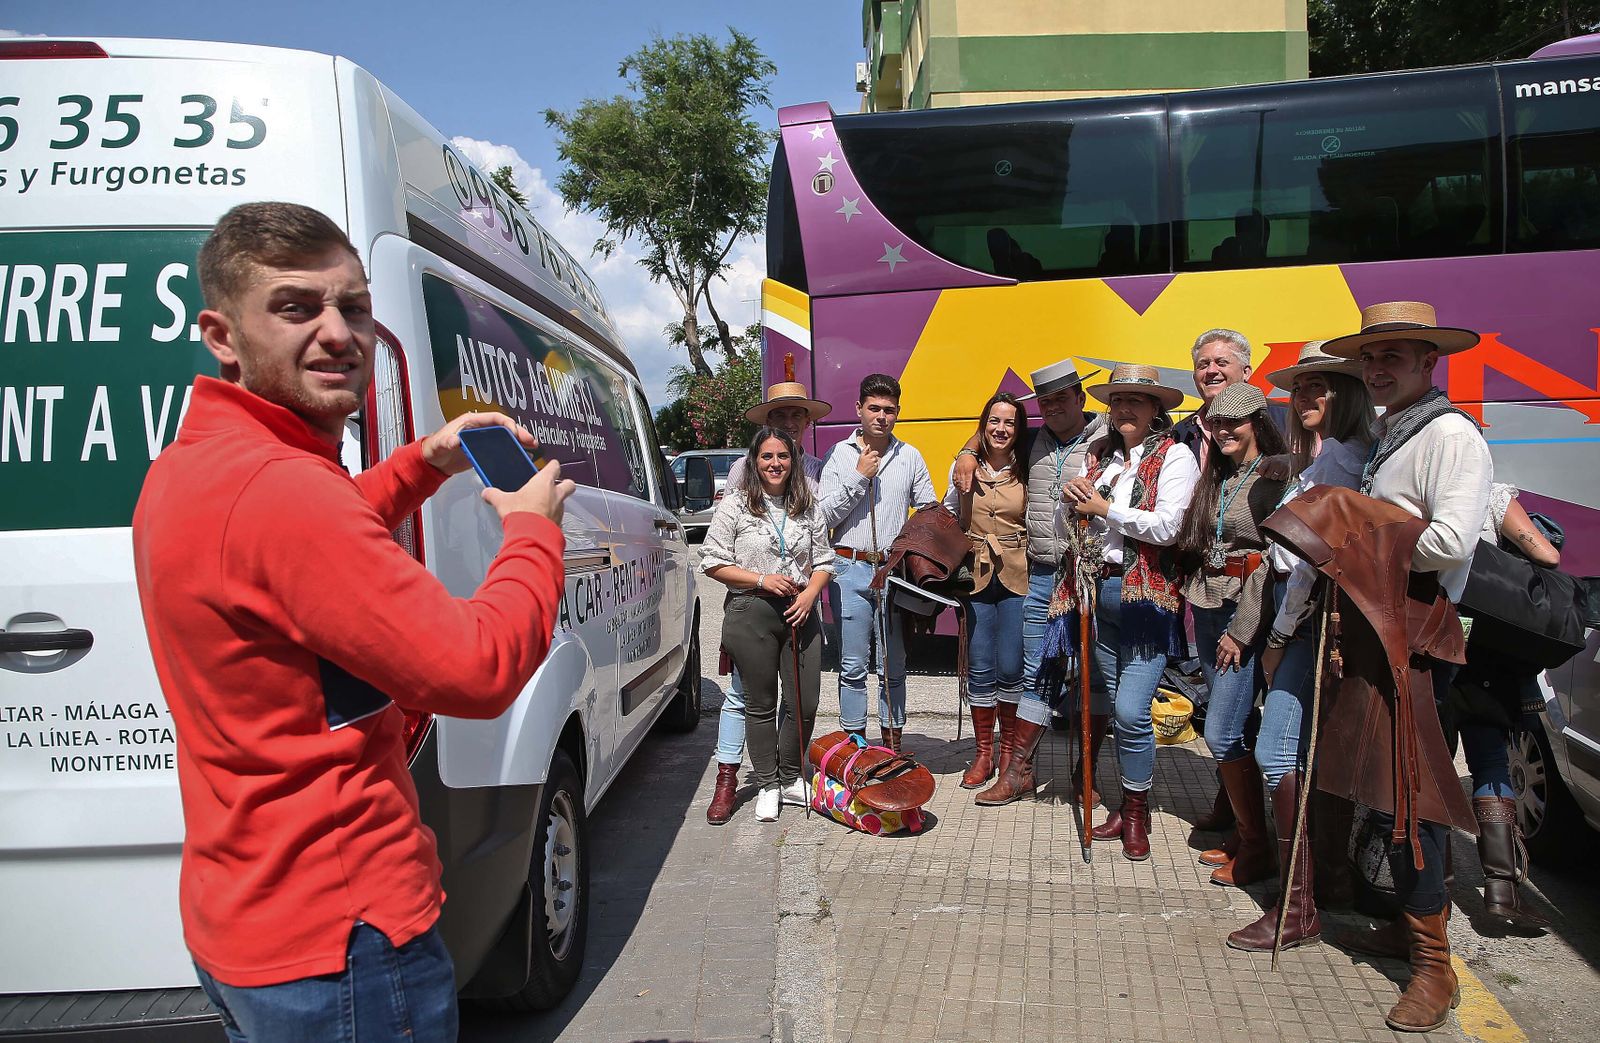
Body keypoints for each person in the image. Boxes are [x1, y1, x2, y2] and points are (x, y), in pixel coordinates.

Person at [131, 202, 573, 1042]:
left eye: (354, 307)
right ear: (223, 336)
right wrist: (532, 531)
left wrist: (419, 462)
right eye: (297, 307)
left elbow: (297, 557)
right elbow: (477, 671)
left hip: (250, 920)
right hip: (346, 940)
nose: (339, 333)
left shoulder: (202, 466)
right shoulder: (284, 491)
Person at [1322, 301, 1493, 1034]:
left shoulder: (1451, 434)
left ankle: (1434, 965)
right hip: (1384, 629)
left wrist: (1355, 529)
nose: (1379, 365)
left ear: (1431, 362)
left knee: (1415, 795)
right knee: (1390, 793)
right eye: (1371, 355)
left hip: (1420, 635)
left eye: (1396, 354)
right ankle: (1405, 925)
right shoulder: (1397, 432)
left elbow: (1451, 541)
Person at [1226, 341, 1374, 952]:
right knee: (1310, 755)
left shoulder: (1339, 456)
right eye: (1303, 387)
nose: (1309, 397)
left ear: (1349, 394)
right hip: (1315, 617)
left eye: (1324, 386)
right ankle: (1323, 886)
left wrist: (1280, 636)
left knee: (1278, 750)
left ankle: (1297, 905)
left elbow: (1308, 564)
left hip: (1312, 618)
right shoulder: (1325, 456)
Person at [950, 360, 1108, 802]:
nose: (1055, 406)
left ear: (1081, 398)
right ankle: (1017, 768)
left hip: (1090, 572)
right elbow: (993, 433)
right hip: (1041, 572)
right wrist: (966, 450)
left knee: (1093, 674)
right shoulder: (1034, 441)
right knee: (1035, 671)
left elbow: (1145, 424)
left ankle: (1086, 771)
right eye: (1047, 400)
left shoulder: (1105, 435)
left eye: (1063, 397)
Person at [1062, 364, 1200, 860]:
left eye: (1136, 400)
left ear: (1157, 409)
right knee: (1122, 714)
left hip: (1147, 596)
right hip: (1099, 593)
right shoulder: (1098, 457)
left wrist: (1102, 508)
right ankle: (1126, 803)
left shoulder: (1176, 456)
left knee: (1128, 711)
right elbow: (1074, 523)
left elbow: (1167, 528)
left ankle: (1136, 811)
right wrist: (1071, 502)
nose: (1124, 408)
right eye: (1118, 400)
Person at [706, 367, 831, 825]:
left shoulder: (806, 502)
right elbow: (712, 561)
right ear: (755, 461)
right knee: (757, 701)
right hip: (752, 608)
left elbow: (825, 558)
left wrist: (811, 593)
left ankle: (793, 773)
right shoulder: (738, 501)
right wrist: (760, 579)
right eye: (767, 457)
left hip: (800, 608)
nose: (776, 463)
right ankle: (767, 781)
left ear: (793, 460)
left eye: (783, 456)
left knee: (805, 700)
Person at [1173, 383, 1288, 887]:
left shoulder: (1271, 478)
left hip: (1248, 613)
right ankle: (1246, 836)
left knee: (1220, 730)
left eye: (1232, 423)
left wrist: (1242, 634)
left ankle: (1259, 847)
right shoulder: (1222, 474)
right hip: (1211, 602)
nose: (1222, 431)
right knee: (1232, 728)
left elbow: (1272, 562)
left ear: (1257, 423)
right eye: (1215, 424)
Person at [1449, 484, 1560, 935]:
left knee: (1431, 764)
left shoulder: (1413, 489)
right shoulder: (1492, 496)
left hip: (1428, 639)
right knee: (1491, 761)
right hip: (1484, 652)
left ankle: (1432, 891)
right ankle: (1501, 892)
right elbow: (1548, 557)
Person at [820, 373, 937, 753]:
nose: (881, 417)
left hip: (893, 570)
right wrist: (859, 478)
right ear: (859, 409)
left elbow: (928, 511)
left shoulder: (910, 455)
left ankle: (892, 745)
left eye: (889, 410)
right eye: (874, 408)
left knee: (893, 663)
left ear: (898, 412)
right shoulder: (839, 454)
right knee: (852, 665)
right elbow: (823, 517)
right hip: (848, 567)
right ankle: (854, 746)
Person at [941, 392, 1029, 793]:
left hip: (1017, 575)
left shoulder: (1027, 467)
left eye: (1009, 422)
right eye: (994, 421)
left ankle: (1009, 752)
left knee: (1011, 666)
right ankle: (983, 753)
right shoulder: (962, 469)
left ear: (1019, 429)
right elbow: (948, 515)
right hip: (976, 575)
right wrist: (965, 454)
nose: (1001, 429)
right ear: (983, 425)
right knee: (979, 665)